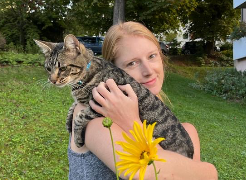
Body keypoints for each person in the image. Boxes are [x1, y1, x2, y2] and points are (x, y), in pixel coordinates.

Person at [68, 21, 218, 180]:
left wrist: (131, 122)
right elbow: (151, 173)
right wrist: (132, 124)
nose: (148, 71)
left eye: (152, 56)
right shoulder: (92, 115)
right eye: (132, 63)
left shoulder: (184, 132)